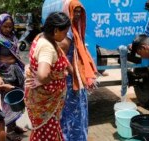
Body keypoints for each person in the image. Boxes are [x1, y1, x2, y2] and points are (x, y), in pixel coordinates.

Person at [24, 11, 71, 141]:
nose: (66, 35)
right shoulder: (47, 47)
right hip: (45, 104)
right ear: (56, 30)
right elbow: (42, 75)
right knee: (46, 135)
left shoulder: (42, 37)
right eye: (65, 32)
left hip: (46, 103)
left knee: (45, 132)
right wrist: (53, 76)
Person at [59, 0, 98, 140]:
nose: (77, 14)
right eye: (74, 11)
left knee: (77, 110)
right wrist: (72, 71)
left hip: (76, 76)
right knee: (71, 112)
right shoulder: (67, 32)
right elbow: (60, 55)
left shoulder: (75, 29)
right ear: (67, 11)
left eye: (79, 11)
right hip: (70, 80)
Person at [0, 13, 27, 141]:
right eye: (5, 26)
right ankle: (8, 131)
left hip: (15, 72)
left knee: (18, 99)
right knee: (8, 102)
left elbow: (17, 54)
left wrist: (25, 66)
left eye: (10, 26)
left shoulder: (12, 37)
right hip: (4, 74)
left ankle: (14, 126)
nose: (7, 29)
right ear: (0, 25)